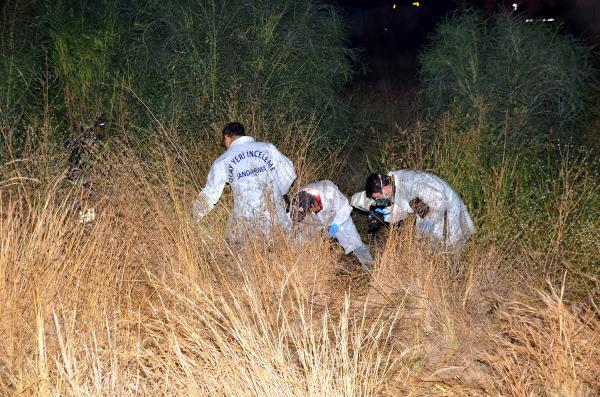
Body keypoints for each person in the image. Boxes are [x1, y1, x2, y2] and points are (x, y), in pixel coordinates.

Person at [192, 122, 296, 242]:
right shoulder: (268, 148)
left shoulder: (224, 160)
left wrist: (195, 213)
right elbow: (290, 173)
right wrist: (279, 192)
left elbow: (211, 193)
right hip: (277, 218)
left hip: (246, 225)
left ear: (227, 137)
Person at [359, 170, 475, 250]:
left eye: (376, 197)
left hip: (446, 208)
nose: (378, 200)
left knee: (451, 244)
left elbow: (439, 200)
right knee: (428, 242)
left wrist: (425, 215)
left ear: (383, 189)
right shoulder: (394, 182)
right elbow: (403, 207)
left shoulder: (411, 184)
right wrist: (384, 217)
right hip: (431, 209)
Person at [289, 180, 374, 270]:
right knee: (300, 242)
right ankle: (302, 268)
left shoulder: (329, 190)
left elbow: (345, 207)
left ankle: (369, 265)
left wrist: (336, 224)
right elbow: (293, 222)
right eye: (309, 210)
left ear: (314, 201)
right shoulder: (296, 202)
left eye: (312, 208)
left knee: (353, 241)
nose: (313, 210)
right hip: (315, 222)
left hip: (337, 216)